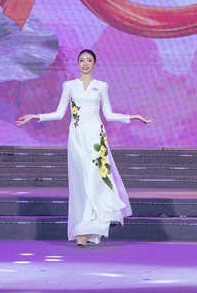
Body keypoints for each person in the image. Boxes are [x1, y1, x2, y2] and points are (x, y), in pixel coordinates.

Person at [15, 49, 152, 247]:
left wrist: (133, 117)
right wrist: (35, 116)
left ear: (95, 64)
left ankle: (84, 231)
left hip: (97, 138)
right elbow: (59, 113)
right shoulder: (69, 86)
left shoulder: (101, 86)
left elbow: (109, 114)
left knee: (94, 180)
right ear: (78, 63)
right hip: (77, 139)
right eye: (82, 60)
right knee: (83, 183)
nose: (85, 63)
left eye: (89, 60)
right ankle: (87, 228)